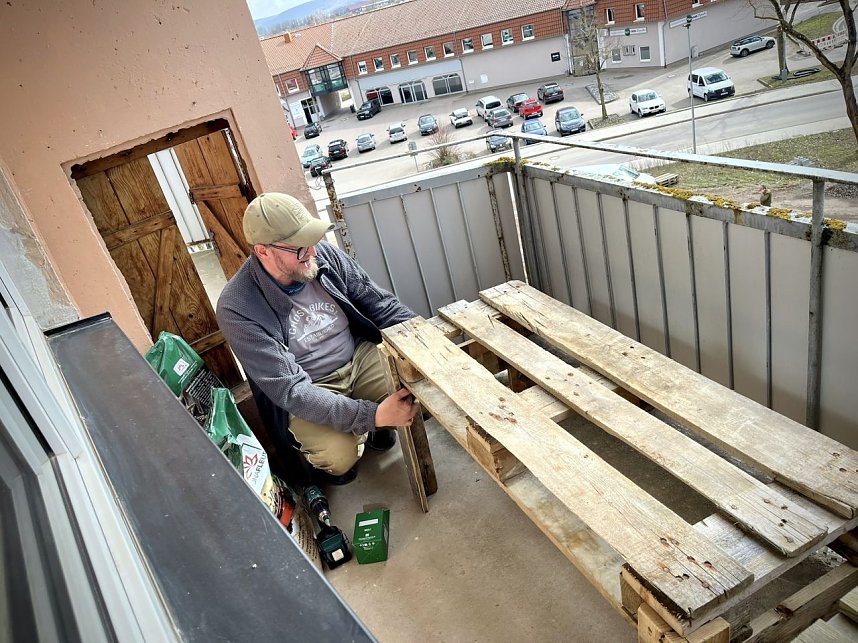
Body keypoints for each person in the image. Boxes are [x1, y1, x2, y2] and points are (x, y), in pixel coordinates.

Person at [216, 193, 419, 485]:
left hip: (358, 357)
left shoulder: (323, 255)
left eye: (312, 240)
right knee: (339, 458)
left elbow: (381, 304)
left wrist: (428, 343)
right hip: (310, 384)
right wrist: (373, 415)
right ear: (263, 251)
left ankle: (375, 427)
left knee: (418, 394)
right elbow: (292, 391)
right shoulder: (237, 307)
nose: (312, 252)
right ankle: (360, 437)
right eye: (299, 248)